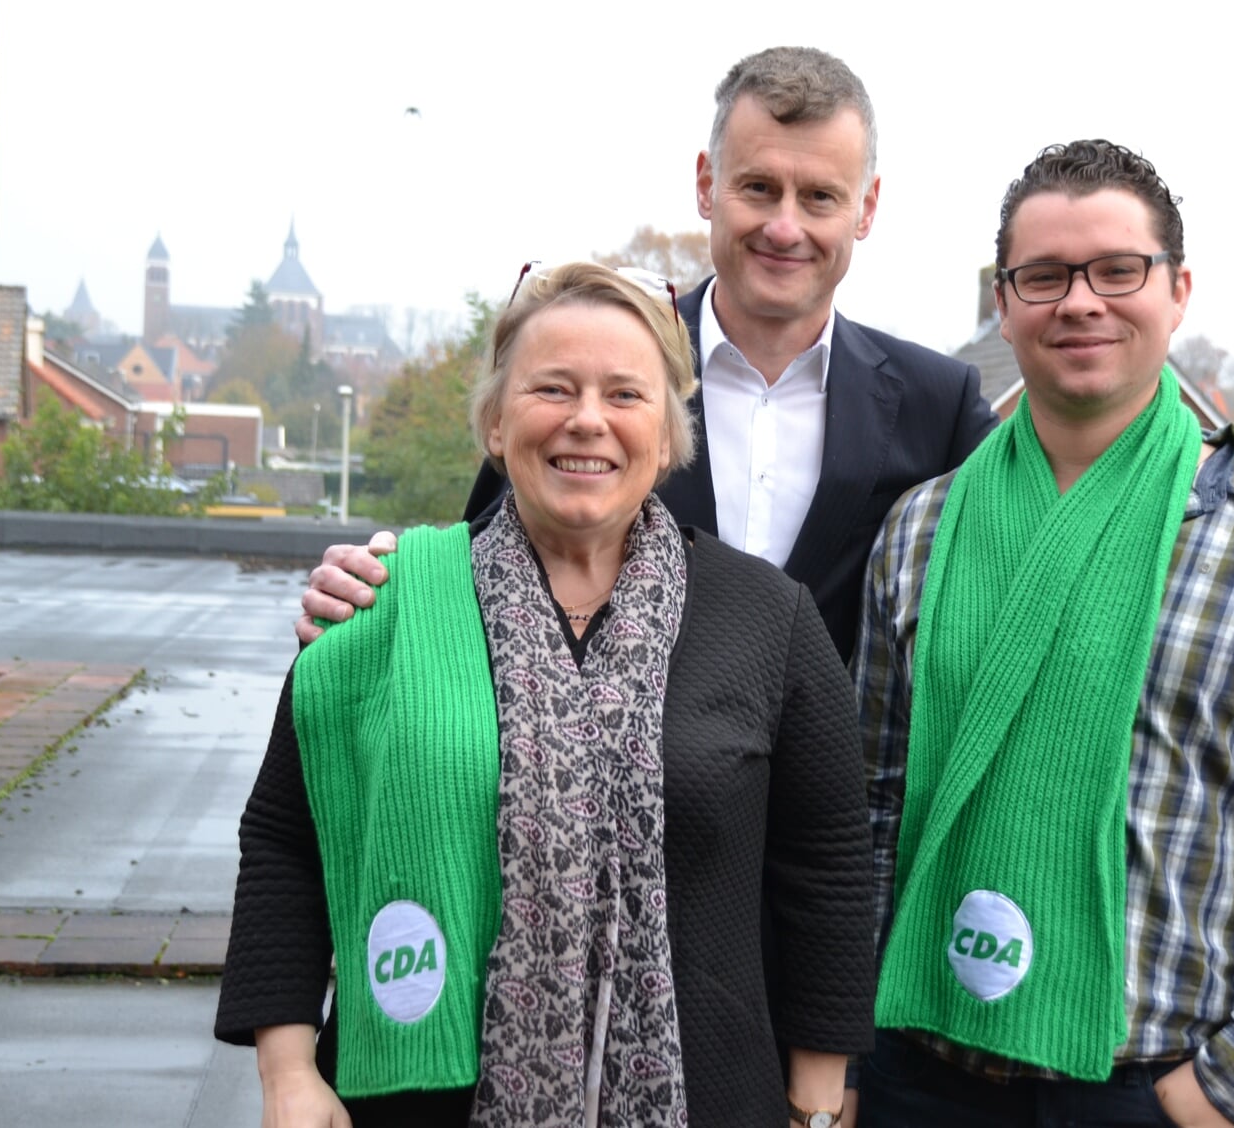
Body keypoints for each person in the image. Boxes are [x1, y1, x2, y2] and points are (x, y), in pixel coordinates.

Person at [296, 47, 1234, 657]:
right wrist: (371, 587)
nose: (786, 224)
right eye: (759, 187)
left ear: (865, 209)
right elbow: (485, 552)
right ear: (705, 186)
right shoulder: (605, 379)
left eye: (819, 195)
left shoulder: (936, 400)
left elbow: (1095, 432)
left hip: (821, 873)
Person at [216, 262, 875, 1128]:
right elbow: (284, 841)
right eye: (552, 388)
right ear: (495, 421)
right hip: (415, 1098)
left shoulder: (768, 618)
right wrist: (287, 1071)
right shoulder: (386, 600)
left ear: (670, 435)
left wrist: (820, 1093)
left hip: (708, 1092)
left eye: (625, 395)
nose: (587, 420)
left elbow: (827, 862)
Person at [854, 141, 1234, 1128]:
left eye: (1119, 269)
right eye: (1045, 275)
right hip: (918, 1071)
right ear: (1005, 297)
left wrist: (1230, 1087)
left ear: (1178, 288)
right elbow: (872, 807)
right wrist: (849, 1053)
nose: (1080, 301)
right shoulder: (922, 528)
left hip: (1151, 1086)